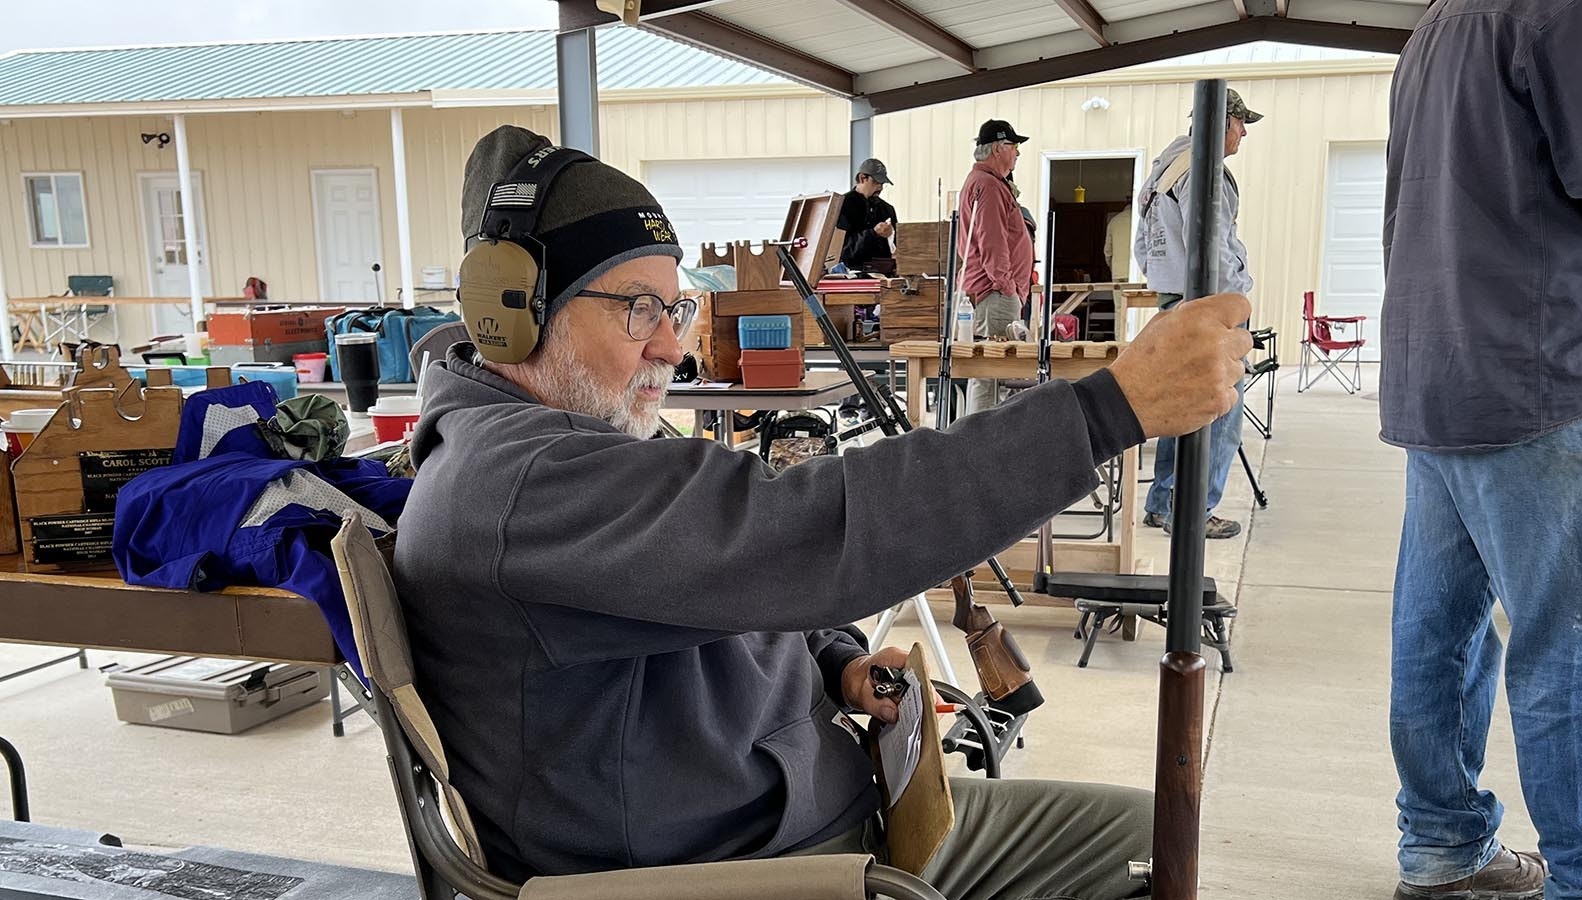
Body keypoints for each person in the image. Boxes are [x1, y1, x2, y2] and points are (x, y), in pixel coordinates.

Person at [394, 124, 1253, 900]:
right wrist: (1109, 410)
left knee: (1151, 837)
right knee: (1151, 845)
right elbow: (800, 531)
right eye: (637, 308)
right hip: (754, 866)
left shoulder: (567, 442)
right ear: (512, 313)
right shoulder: (519, 484)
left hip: (803, 810)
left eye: (677, 306)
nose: (672, 343)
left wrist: (834, 659)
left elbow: (725, 579)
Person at [1382, 2, 1582, 898]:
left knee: (1438, 634)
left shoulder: (1437, 22)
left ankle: (1439, 846)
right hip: (1536, 369)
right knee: (1572, 648)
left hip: (1438, 371)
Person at [1131, 88, 1262, 540]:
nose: (1243, 133)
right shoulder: (1205, 170)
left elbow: (1141, 245)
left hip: (1174, 297)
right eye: (1241, 123)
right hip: (1209, 304)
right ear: (1222, 121)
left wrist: (1165, 283)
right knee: (1220, 408)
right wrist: (1232, 299)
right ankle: (1197, 508)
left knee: (1177, 402)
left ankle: (1165, 501)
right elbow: (1211, 241)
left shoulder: (1164, 169)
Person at [958, 119, 1034, 413]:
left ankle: (980, 448)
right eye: (1014, 147)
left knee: (991, 376)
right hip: (995, 294)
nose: (1017, 154)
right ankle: (979, 450)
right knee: (990, 376)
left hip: (995, 292)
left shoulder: (988, 183)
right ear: (999, 148)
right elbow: (992, 242)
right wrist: (1008, 287)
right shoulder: (988, 185)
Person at [834, 158, 897, 274]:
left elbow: (898, 248)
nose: (880, 188)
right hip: (851, 275)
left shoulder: (887, 210)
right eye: (876, 182)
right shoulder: (842, 206)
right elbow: (842, 250)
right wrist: (873, 233)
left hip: (883, 276)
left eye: (882, 184)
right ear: (862, 178)